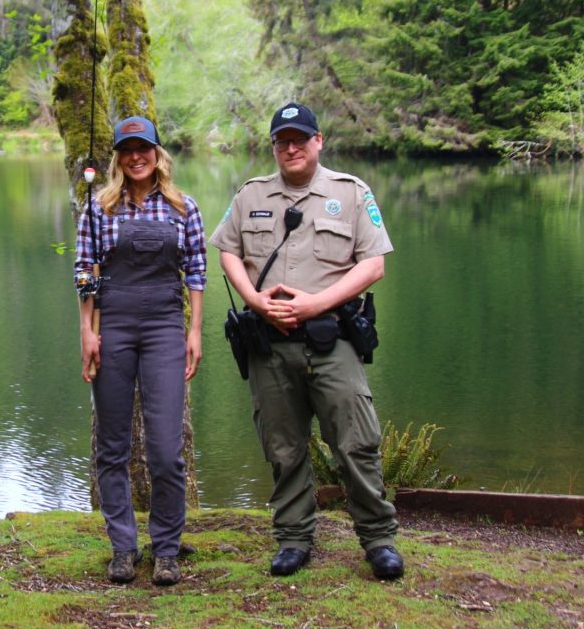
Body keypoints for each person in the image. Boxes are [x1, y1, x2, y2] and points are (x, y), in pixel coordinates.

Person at [208, 102, 404, 580]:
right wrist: (254, 300)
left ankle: (378, 539)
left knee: (356, 443)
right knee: (283, 447)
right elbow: (228, 251)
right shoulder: (250, 194)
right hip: (270, 347)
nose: (290, 147)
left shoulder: (351, 193)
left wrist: (316, 304)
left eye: (300, 138)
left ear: (319, 141)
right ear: (273, 146)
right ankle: (294, 539)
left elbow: (373, 264)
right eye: (282, 140)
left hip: (330, 340)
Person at [74, 116, 206, 586]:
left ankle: (166, 549)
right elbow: (86, 273)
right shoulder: (98, 209)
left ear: (157, 154)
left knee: (166, 450)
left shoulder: (183, 208)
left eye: (143, 148)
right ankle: (123, 548)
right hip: (115, 325)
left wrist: (195, 331)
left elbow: (195, 273)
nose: (136, 157)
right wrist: (87, 331)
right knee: (112, 447)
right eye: (127, 150)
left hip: (166, 328)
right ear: (117, 157)